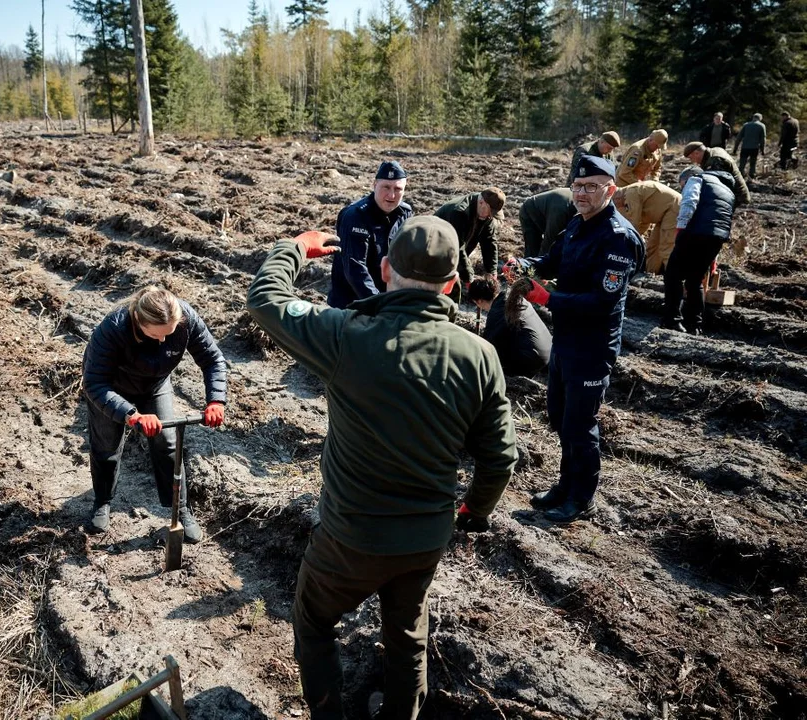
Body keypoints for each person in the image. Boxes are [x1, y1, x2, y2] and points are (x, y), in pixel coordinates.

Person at [247, 217, 517, 720]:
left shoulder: (347, 333)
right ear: (454, 284)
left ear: (385, 268)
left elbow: (265, 301)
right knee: (407, 633)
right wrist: (472, 513)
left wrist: (293, 249)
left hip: (351, 535)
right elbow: (500, 458)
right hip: (425, 537)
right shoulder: (480, 355)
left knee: (313, 619)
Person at [504, 156, 644, 523]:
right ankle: (565, 485)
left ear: (610, 190)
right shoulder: (576, 225)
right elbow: (551, 260)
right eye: (578, 186)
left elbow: (603, 301)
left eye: (591, 187)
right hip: (565, 339)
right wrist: (523, 266)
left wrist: (547, 298)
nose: (581, 193)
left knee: (581, 425)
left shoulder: (617, 238)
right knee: (560, 416)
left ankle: (582, 497)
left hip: (592, 346)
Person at [81, 286, 227, 542]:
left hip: (155, 384)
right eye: (155, 335)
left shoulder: (186, 319)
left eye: (168, 335)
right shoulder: (112, 329)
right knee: (106, 445)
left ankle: (180, 508)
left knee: (168, 442)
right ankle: (102, 501)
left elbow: (213, 359)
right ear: (139, 320)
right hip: (111, 387)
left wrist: (216, 400)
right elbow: (94, 383)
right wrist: (131, 414)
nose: (162, 341)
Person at [328, 160, 413, 309]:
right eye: (386, 187)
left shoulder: (405, 213)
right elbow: (355, 269)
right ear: (374, 185)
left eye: (398, 189)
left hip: (384, 297)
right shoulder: (356, 216)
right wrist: (379, 304)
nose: (391, 195)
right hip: (351, 303)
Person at [662, 167, 737, 335]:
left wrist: (680, 229)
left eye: (682, 186)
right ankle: (695, 325)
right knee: (695, 281)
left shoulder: (697, 179)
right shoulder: (729, 192)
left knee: (673, 275)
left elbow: (689, 202)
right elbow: (722, 221)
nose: (683, 189)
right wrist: (714, 258)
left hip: (694, 233)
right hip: (716, 239)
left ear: (688, 178)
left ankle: (672, 320)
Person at [469, 275, 552, 377]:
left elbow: (488, 347)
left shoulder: (497, 312)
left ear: (479, 301)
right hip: (549, 350)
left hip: (532, 360)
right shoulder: (512, 297)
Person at [433, 186, 506, 300]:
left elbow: (489, 242)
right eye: (490, 212)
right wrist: (469, 278)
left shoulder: (486, 214)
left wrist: (491, 272)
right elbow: (457, 248)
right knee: (442, 284)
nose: (490, 216)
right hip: (436, 248)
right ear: (482, 202)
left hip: (455, 248)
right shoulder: (459, 212)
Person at [611, 181, 681, 274]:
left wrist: (624, 244)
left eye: (615, 205)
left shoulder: (630, 194)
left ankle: (675, 279)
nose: (617, 208)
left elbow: (633, 224)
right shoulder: (630, 195)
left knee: (666, 247)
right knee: (653, 247)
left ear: (616, 198)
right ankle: (650, 273)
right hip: (664, 214)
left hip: (674, 208)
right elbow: (643, 223)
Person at [683, 141, 751, 207]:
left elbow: (716, 187)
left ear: (696, 153)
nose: (692, 161)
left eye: (691, 158)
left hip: (737, 198)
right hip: (734, 195)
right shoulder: (714, 151)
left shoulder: (715, 160)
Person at [518, 188, 577, 257]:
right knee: (534, 249)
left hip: (551, 209)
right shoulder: (560, 213)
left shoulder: (585, 206)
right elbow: (550, 243)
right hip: (529, 211)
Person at [733, 113, 766, 179]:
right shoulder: (761, 126)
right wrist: (762, 150)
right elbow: (763, 140)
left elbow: (738, 138)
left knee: (742, 164)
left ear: (753, 117)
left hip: (745, 147)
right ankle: (751, 177)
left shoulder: (746, 125)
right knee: (753, 164)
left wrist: (735, 149)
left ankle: (738, 177)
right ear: (760, 118)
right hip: (754, 148)